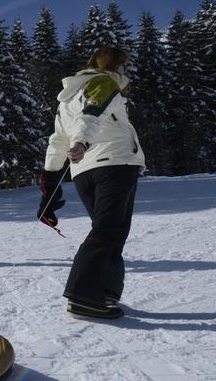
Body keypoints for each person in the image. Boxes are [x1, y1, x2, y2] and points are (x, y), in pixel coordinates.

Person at [39, 46, 145, 320]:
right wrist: (82, 142)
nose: (125, 70)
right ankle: (83, 298)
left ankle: (104, 291)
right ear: (113, 64)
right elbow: (92, 113)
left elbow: (57, 139)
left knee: (112, 231)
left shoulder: (68, 98)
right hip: (113, 164)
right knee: (109, 230)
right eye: (123, 64)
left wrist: (50, 181)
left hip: (84, 172)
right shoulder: (104, 82)